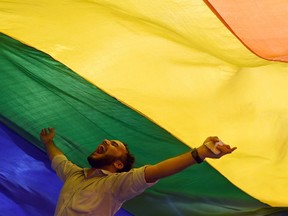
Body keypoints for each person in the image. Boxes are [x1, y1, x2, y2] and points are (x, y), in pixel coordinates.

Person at [40, 127, 236, 216]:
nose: (105, 141)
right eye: (107, 141)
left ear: (118, 164)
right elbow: (58, 159)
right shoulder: (74, 174)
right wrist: (49, 142)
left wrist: (201, 152)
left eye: (113, 144)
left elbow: (157, 171)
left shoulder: (116, 185)